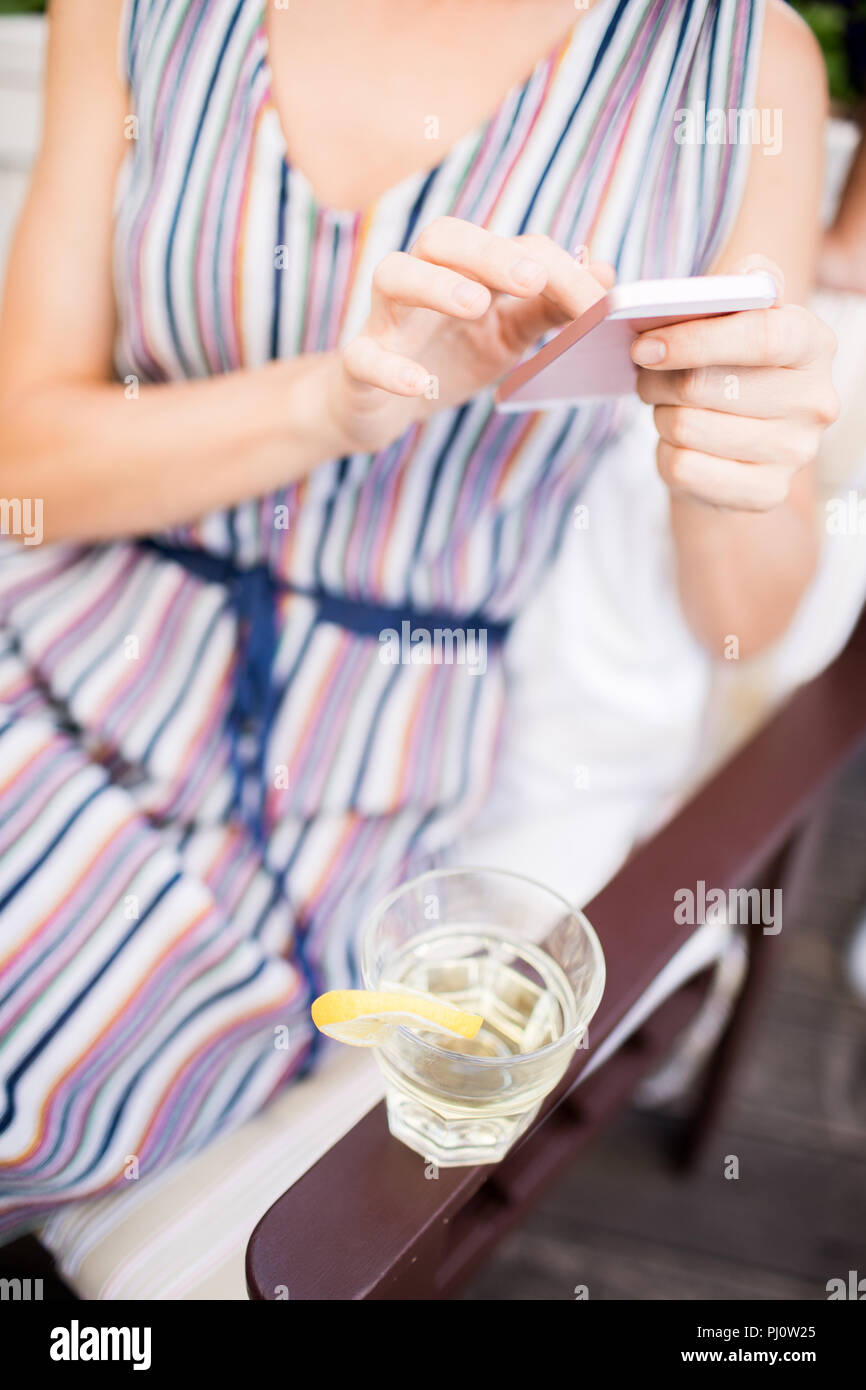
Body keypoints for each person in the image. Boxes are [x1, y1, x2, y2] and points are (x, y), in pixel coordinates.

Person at [0, 0, 839, 1238]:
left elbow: (744, 620)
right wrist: (332, 405)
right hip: (55, 624)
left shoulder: (734, 59)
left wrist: (731, 464)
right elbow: (24, 463)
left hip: (339, 771)